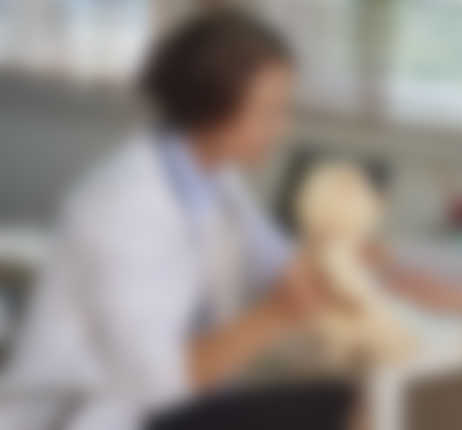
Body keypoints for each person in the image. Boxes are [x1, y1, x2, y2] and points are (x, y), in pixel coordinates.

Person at [0, 10, 324, 430]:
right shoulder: (121, 205)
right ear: (213, 104)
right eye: (270, 111)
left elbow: (276, 259)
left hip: (172, 401)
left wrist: (339, 260)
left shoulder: (215, 178)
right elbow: (156, 378)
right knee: (329, 407)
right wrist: (275, 316)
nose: (281, 128)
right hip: (91, 414)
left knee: (336, 397)